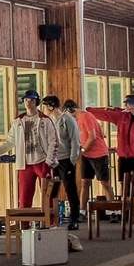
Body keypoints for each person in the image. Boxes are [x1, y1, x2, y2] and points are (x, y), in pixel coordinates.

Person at [0, 90, 59, 211]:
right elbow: (10, 142)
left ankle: (50, 220)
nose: (28, 103)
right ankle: (24, 222)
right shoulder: (18, 121)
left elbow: (54, 142)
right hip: (25, 164)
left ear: (36, 102)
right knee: (24, 198)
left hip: (42, 162)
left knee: (48, 196)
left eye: (31, 100)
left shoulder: (45, 120)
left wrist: (48, 162)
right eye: (26, 100)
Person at [88, 96, 134, 193]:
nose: (125, 106)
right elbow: (105, 114)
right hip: (123, 157)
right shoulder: (122, 116)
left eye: (127, 104)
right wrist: (90, 110)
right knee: (123, 183)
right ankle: (123, 201)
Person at [41, 95, 80, 230]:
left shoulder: (67, 119)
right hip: (53, 160)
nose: (43, 109)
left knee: (70, 189)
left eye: (45, 106)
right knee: (51, 191)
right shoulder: (47, 121)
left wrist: (72, 160)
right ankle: (51, 220)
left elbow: (75, 140)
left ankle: (74, 218)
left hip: (66, 159)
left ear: (51, 106)